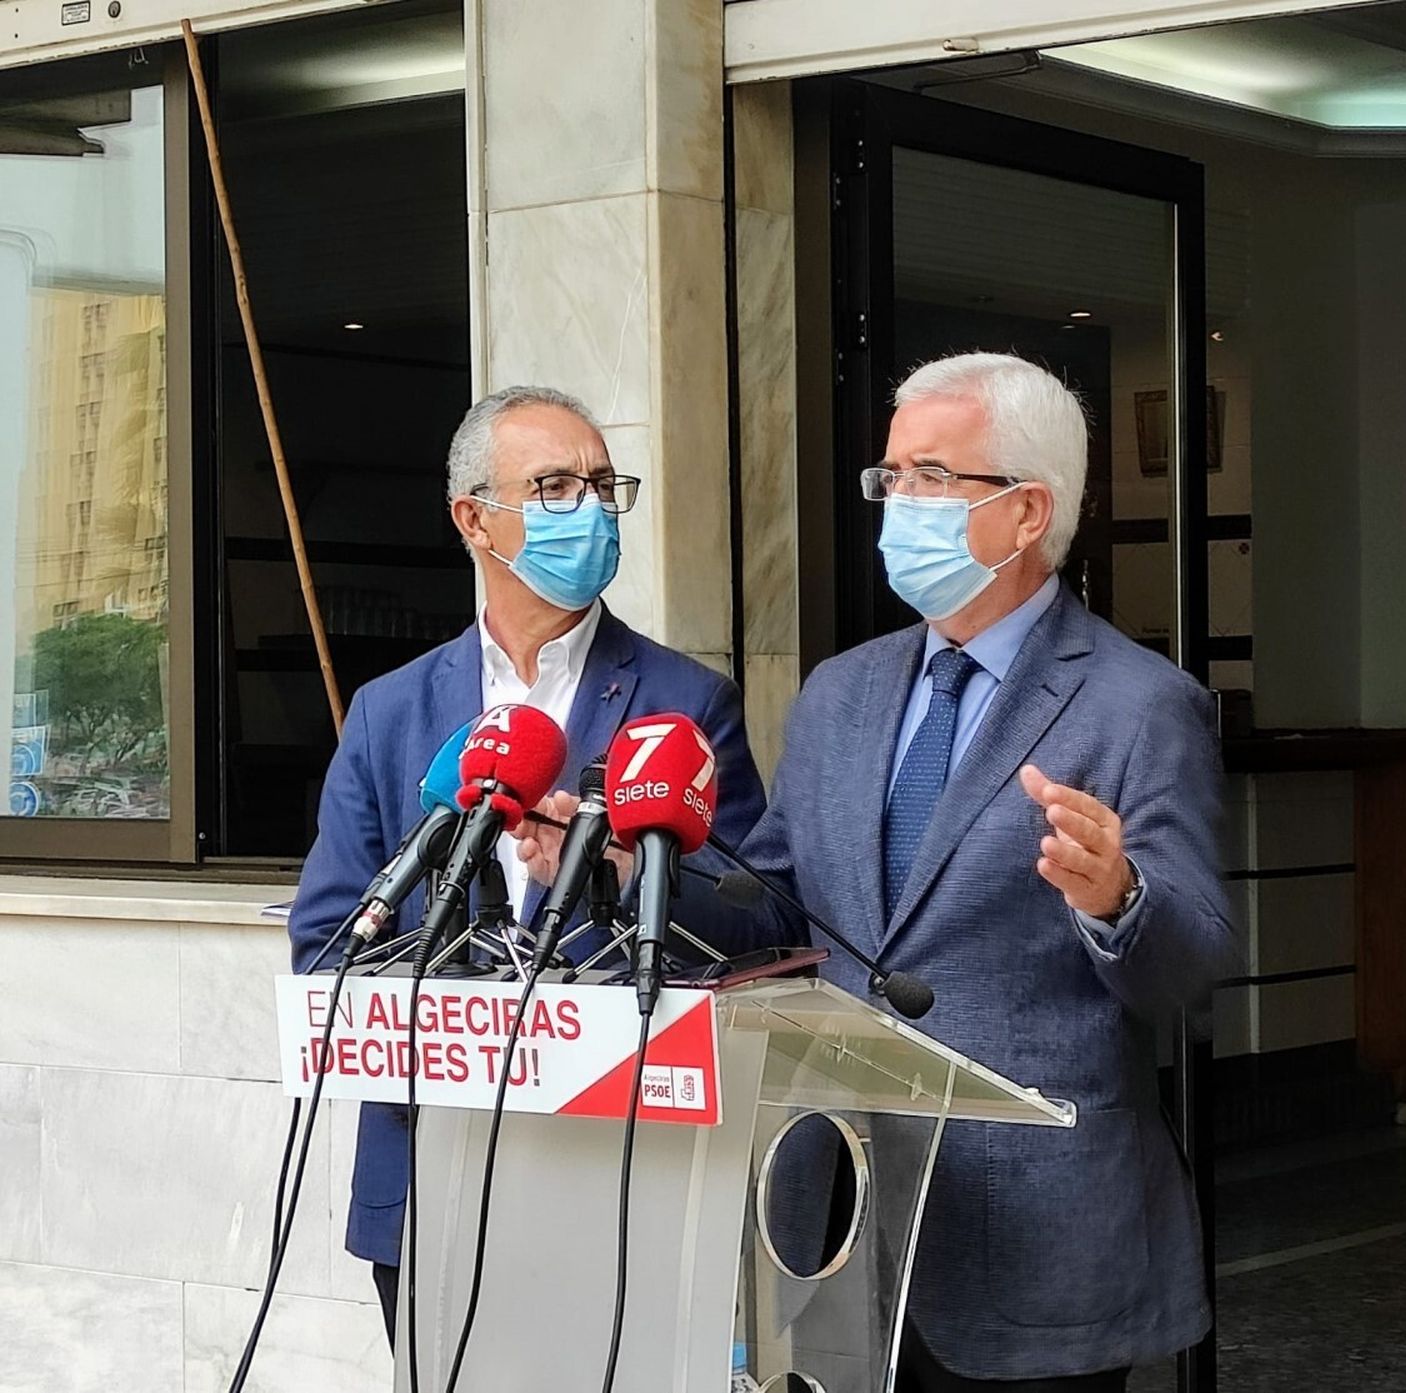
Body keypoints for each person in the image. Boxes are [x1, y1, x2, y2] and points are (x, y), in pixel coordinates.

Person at [518, 352, 1234, 1389]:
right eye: (889, 476)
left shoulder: (1140, 704)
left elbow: (1193, 970)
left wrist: (1118, 899)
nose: (898, 503)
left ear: (1028, 513)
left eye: (930, 476)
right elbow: (773, 916)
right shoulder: (840, 691)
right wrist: (636, 875)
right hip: (832, 1219)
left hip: (1034, 1238)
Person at [287, 384, 765, 1347]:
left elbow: (763, 926)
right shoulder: (390, 711)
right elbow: (325, 944)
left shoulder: (686, 699)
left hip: (621, 1176)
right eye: (553, 486)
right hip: (430, 1173)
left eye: (600, 484)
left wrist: (624, 876)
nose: (587, 508)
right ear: (475, 518)